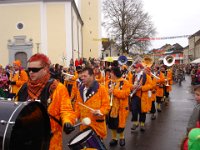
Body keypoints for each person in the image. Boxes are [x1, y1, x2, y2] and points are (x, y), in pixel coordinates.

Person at [17, 53, 76, 150]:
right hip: (27, 140)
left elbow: (66, 110)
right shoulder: (23, 88)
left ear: (45, 69)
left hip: (50, 141)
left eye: (35, 70)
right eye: (29, 70)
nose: (31, 72)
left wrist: (67, 121)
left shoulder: (58, 88)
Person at [74, 67, 110, 140]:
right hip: (84, 127)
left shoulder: (101, 89)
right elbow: (78, 106)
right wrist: (74, 118)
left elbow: (107, 106)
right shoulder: (80, 90)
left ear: (92, 76)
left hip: (97, 128)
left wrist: (100, 111)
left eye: (85, 76)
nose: (82, 78)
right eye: (82, 76)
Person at [105, 67, 130, 147]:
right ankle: (114, 138)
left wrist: (114, 91)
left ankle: (122, 137)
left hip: (121, 107)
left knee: (120, 124)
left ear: (115, 73)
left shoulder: (125, 82)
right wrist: (107, 93)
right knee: (112, 124)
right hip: (111, 107)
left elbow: (125, 94)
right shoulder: (108, 82)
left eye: (111, 73)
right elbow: (105, 93)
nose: (109, 74)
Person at [130, 63, 152, 132]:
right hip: (135, 95)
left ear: (140, 68)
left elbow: (150, 85)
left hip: (143, 96)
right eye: (135, 68)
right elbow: (129, 84)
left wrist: (142, 88)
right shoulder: (133, 76)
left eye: (136, 68)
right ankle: (135, 123)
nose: (135, 69)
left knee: (142, 111)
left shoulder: (147, 76)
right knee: (134, 109)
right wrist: (133, 87)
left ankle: (142, 124)